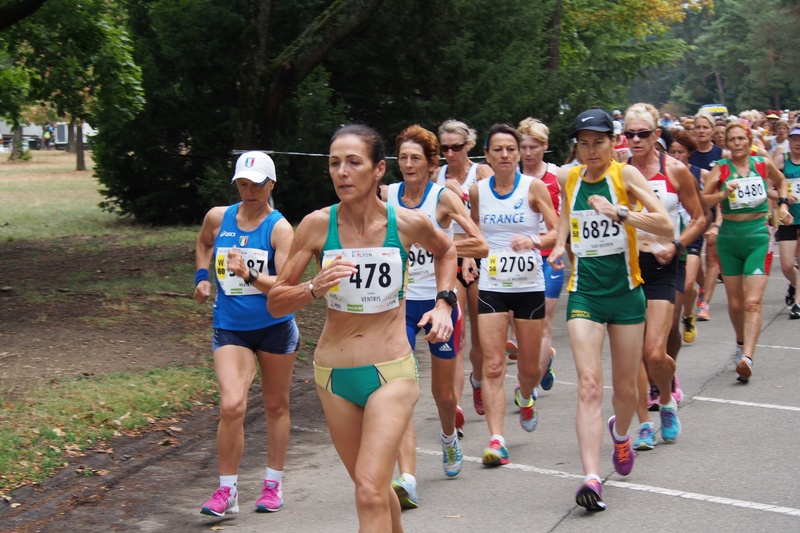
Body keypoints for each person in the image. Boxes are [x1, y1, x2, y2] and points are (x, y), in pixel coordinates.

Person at [268, 124, 457, 532]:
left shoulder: (406, 223)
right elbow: (275, 300)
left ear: (378, 170)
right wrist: (313, 287)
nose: (342, 172)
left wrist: (445, 302)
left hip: (391, 369)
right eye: (335, 163)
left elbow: (447, 250)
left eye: (354, 162)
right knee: (370, 486)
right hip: (333, 375)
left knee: (370, 488)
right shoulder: (317, 226)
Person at [548, 109, 673, 511]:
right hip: (584, 294)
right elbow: (567, 219)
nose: (590, 150)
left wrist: (620, 212)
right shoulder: (570, 177)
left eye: (598, 142)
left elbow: (665, 226)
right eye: (583, 143)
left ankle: (620, 434)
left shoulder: (626, 176)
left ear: (612, 143)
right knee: (588, 385)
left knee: (626, 390)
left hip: (626, 294)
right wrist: (556, 246)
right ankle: (589, 478)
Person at [382, 125, 487, 508]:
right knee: (399, 392)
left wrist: (440, 243)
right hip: (397, 308)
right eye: (403, 158)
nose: (409, 165)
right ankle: (407, 478)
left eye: (416, 158)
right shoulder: (386, 195)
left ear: (431, 164)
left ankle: (448, 438)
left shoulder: (442, 198)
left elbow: (481, 243)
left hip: (437, 305)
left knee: (443, 395)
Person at [193, 151, 299, 517]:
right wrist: (202, 276)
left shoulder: (280, 228)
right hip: (231, 328)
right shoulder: (218, 217)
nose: (248, 191)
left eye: (256, 185)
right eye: (242, 184)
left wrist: (249, 275)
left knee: (275, 405)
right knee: (232, 405)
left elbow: (285, 287)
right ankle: (227, 491)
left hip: (274, 327)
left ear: (271, 185)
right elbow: (204, 242)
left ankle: (273, 484)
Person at [469, 123, 559, 466]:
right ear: (488, 155)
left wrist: (533, 241)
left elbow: (556, 231)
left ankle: (525, 395)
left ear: (519, 153)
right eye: (498, 150)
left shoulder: (533, 188)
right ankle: (496, 439)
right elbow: (476, 232)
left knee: (529, 369)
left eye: (511, 149)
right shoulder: (478, 191)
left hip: (528, 286)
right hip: (492, 286)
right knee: (492, 365)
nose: (505, 155)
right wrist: (470, 260)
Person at [622, 104, 706, 451]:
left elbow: (700, 218)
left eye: (644, 133)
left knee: (655, 352)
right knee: (635, 355)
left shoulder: (675, 171)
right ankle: (644, 423)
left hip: (662, 264)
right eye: (630, 134)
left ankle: (667, 400)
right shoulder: (618, 173)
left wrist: (676, 245)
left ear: (657, 135)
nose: (637, 140)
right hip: (628, 266)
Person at [702, 122, 793, 382]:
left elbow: (782, 181)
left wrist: (783, 205)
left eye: (742, 138)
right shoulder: (721, 169)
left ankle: (747, 358)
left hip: (757, 236)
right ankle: (741, 343)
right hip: (729, 238)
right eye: (733, 139)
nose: (738, 143)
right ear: (727, 144)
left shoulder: (762, 165)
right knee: (735, 303)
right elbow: (701, 199)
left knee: (752, 302)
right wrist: (722, 193)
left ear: (750, 139)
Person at [436, 119, 490, 430]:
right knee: (456, 334)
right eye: (445, 148)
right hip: (450, 257)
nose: (451, 153)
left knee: (481, 337)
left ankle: (478, 380)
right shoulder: (437, 175)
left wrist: (464, 196)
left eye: (456, 147)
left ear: (468, 145)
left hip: (479, 255)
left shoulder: (481, 173)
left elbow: (487, 218)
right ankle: (454, 406)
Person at [517, 117, 563, 391]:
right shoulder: (512, 178)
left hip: (549, 256)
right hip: (519, 261)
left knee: (544, 321)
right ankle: (541, 364)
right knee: (522, 325)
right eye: (523, 146)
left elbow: (566, 220)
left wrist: (563, 248)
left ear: (545, 146)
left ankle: (530, 385)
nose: (528, 152)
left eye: (534, 146)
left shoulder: (556, 176)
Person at [667, 129, 714, 342]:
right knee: (686, 287)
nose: (676, 156)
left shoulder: (699, 174)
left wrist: (716, 222)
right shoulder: (662, 173)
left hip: (693, 234)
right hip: (672, 233)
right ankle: (688, 310)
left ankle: (687, 315)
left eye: (680, 152)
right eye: (672, 151)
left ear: (689, 154)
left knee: (687, 284)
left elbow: (709, 204)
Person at [690, 110, 728, 322]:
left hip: (714, 212)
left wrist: (719, 221)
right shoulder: (689, 154)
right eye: (698, 127)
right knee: (692, 261)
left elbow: (724, 191)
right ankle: (704, 287)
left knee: (713, 259)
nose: (702, 131)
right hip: (692, 213)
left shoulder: (722, 155)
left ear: (713, 130)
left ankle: (705, 304)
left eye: (706, 127)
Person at [771, 124, 800, 319]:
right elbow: (765, 187)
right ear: (789, 140)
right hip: (788, 216)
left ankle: (798, 303)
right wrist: (782, 199)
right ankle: (794, 283)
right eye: (795, 139)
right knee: (787, 266)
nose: (798, 143)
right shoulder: (782, 160)